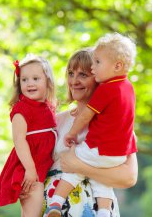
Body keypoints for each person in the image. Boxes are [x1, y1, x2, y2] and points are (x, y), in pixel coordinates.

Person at [45, 33, 137, 217]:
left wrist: (79, 166)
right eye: (71, 73)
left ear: (99, 78)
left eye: (84, 74)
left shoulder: (118, 127)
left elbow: (128, 177)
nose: (74, 81)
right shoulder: (55, 121)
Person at [0, 54, 58, 217]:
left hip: (42, 166)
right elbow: (19, 140)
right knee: (33, 208)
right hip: (28, 168)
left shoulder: (47, 107)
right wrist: (29, 169)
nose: (30, 83)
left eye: (36, 78)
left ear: (48, 81)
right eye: (24, 80)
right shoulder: (21, 109)